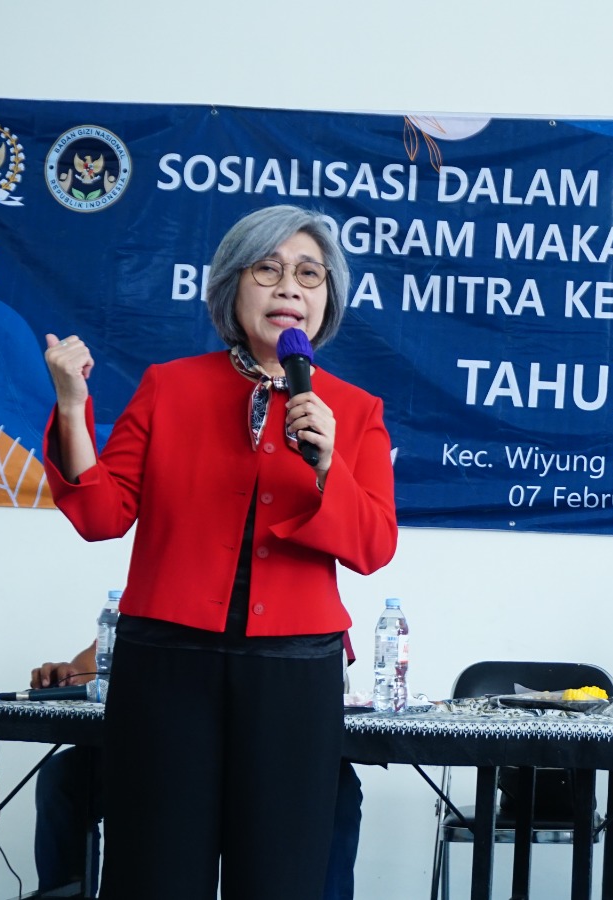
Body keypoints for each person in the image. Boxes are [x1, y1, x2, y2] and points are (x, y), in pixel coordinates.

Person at [41, 205, 398, 900]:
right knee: (155, 875)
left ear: (327, 299)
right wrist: (71, 406)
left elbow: (373, 546)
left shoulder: (354, 411)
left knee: (280, 879)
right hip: (165, 664)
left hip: (294, 670)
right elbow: (100, 515)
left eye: (309, 274)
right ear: (232, 287)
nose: (289, 287)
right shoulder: (168, 386)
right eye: (268, 269)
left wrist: (329, 465)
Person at [28, 641, 366, 899]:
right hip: (166, 750)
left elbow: (330, 685)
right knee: (65, 776)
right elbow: (97, 662)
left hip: (265, 756)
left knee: (338, 787)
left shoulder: (302, 595)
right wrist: (69, 673)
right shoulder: (170, 588)